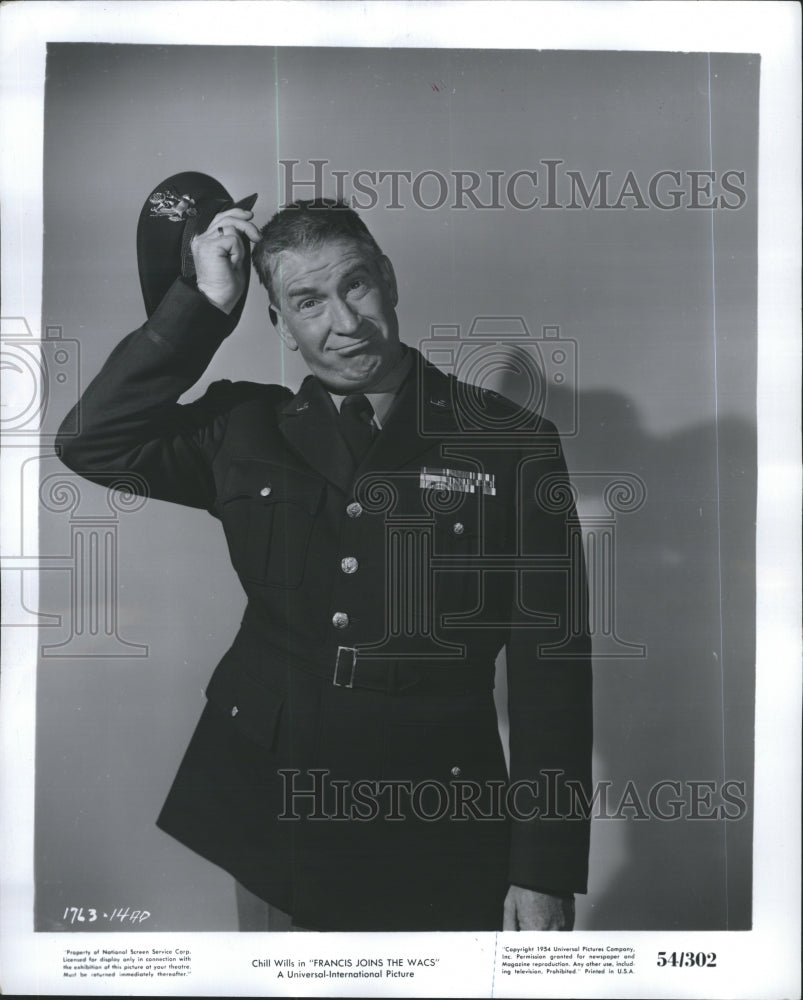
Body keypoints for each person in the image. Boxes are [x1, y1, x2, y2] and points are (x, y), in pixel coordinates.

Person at [56, 191, 592, 933]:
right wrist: (204, 304)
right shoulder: (245, 429)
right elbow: (92, 442)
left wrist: (543, 869)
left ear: (389, 278)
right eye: (307, 301)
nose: (343, 322)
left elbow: (550, 673)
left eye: (356, 285)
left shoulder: (508, 442)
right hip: (276, 813)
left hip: (434, 818)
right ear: (276, 320)